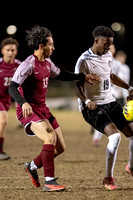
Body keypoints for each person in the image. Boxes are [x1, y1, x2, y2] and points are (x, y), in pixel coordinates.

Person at [9, 25, 100, 192]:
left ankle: (31, 166)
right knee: (49, 136)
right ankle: (49, 182)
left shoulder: (47, 63)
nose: (53, 47)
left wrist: (83, 76)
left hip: (43, 108)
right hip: (28, 110)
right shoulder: (28, 64)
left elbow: (62, 74)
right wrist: (23, 103)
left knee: (60, 148)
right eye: (51, 44)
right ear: (41, 46)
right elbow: (13, 87)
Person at [75, 25, 133, 190]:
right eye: (106, 43)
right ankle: (108, 178)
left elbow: (111, 76)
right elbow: (77, 86)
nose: (108, 47)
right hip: (92, 107)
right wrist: (86, 102)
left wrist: (129, 88)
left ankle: (131, 167)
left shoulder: (107, 56)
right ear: (96, 40)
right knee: (115, 137)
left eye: (110, 44)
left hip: (111, 102)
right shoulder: (84, 60)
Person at [0, 37, 21, 160]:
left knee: (2, 123)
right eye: (8, 50)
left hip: (7, 99)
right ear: (3, 51)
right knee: (3, 119)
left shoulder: (19, 66)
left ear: (16, 52)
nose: (10, 53)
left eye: (13, 50)